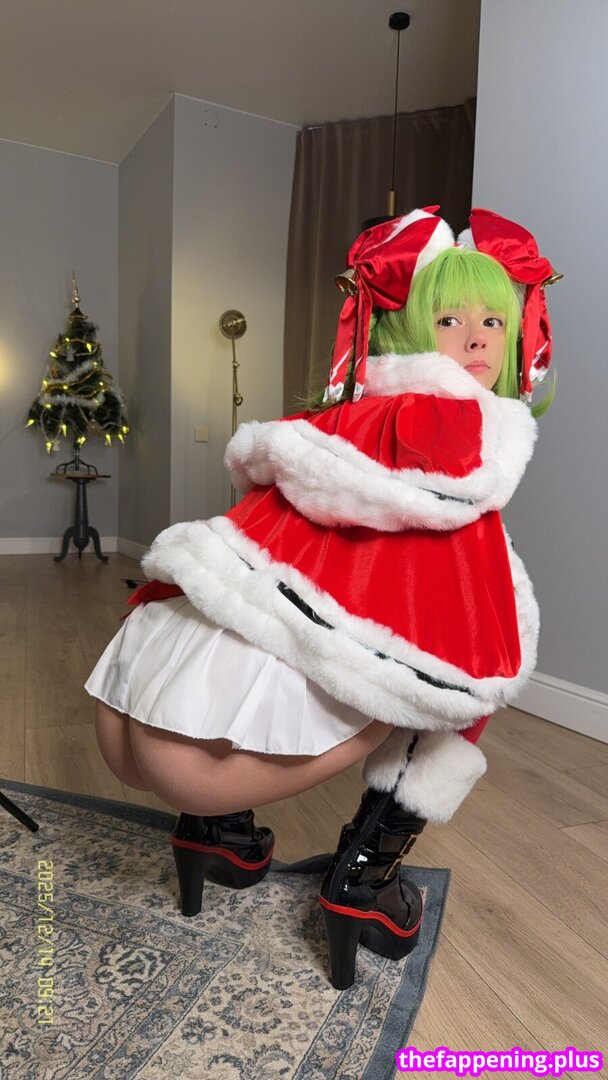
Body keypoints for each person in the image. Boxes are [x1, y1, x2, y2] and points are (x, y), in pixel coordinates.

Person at [86, 206, 560, 990]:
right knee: (467, 683)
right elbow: (467, 660)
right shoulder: (461, 431)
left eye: (493, 322)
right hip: (199, 762)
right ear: (406, 329)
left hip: (122, 706)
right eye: (450, 320)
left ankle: (214, 835)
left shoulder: (339, 419)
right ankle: (363, 882)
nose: (478, 340)